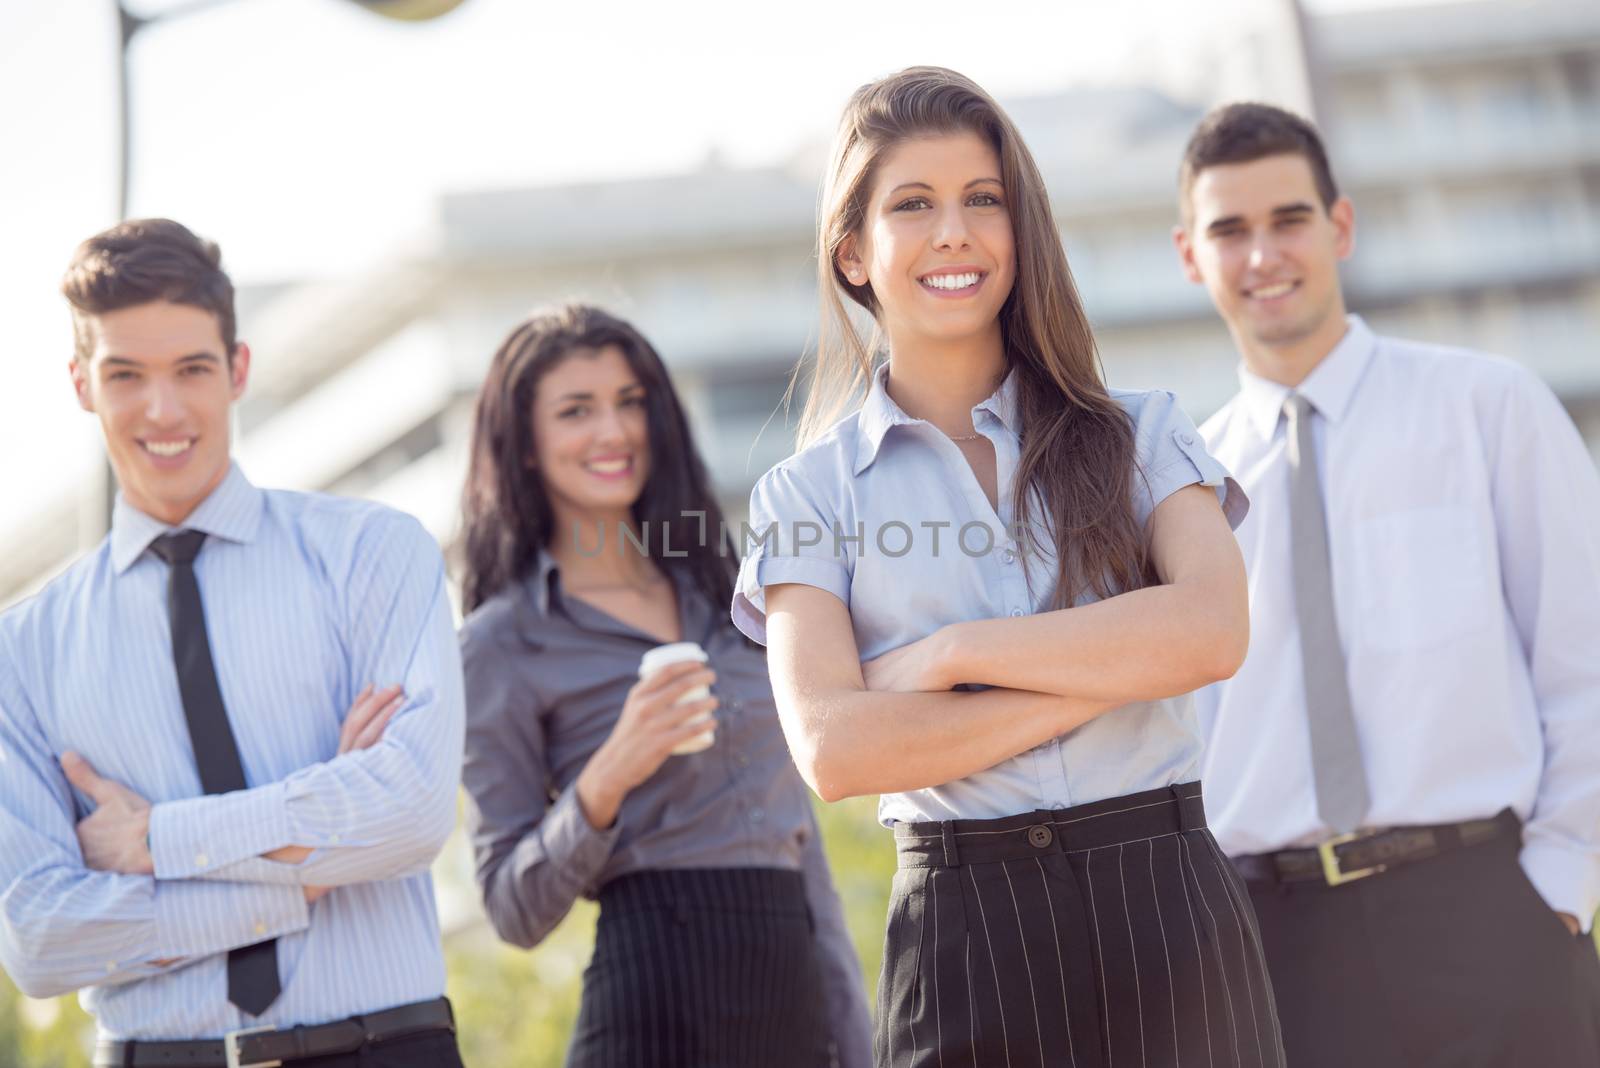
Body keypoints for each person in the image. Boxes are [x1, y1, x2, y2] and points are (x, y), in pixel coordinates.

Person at [733, 67, 1285, 1068]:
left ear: (1020, 232)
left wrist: (952, 655)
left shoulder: (1142, 434)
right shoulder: (804, 497)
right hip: (964, 935)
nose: (955, 232)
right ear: (852, 254)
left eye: (983, 200)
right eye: (914, 205)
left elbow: (1212, 631)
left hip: (1166, 908)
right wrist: (1115, 669)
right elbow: (838, 751)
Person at [1173, 102, 1600, 1067]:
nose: (1263, 255)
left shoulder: (1489, 408)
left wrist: (1560, 888)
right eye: (1229, 231)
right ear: (1190, 256)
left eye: (1288, 219)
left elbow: (1584, 654)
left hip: (1492, 916)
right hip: (1276, 944)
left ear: (1342, 226)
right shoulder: (1184, 486)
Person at [0, 219, 466, 1068]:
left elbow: (413, 809)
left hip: (384, 1048)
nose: (163, 409)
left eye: (192, 369)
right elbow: (40, 939)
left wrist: (157, 844)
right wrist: (310, 868)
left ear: (238, 368)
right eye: (125, 375)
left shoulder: (372, 553)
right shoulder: (21, 653)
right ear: (80, 384)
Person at [456, 304, 872, 1068]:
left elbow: (800, 845)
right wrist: (611, 771)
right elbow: (511, 909)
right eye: (576, 410)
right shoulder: (502, 643)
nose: (612, 432)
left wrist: (857, 1041)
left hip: (793, 995)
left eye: (629, 402)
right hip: (651, 1009)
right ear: (524, 446)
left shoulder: (736, 600)